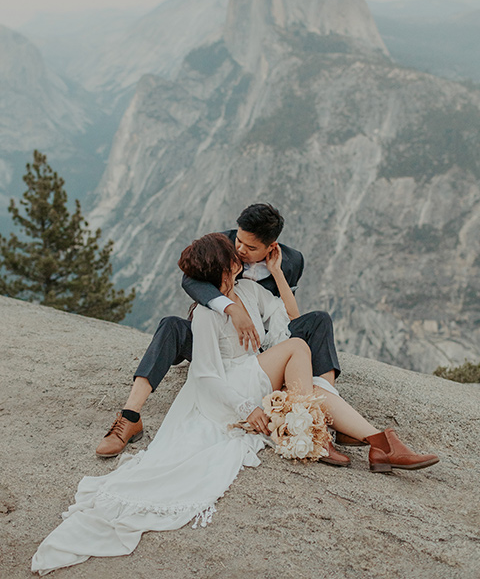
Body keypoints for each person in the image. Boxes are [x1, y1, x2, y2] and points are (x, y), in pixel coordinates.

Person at [32, 234, 439, 575]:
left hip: (255, 369)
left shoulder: (249, 288)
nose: (241, 262)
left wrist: (277, 281)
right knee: (299, 356)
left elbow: (285, 320)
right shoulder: (207, 314)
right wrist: (248, 407)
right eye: (234, 261)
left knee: (304, 364)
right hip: (231, 383)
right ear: (220, 271)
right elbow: (206, 376)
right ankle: (342, 435)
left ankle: (375, 442)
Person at [96, 203, 348, 463]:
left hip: (264, 344)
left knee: (320, 320)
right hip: (217, 338)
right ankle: (129, 417)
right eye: (239, 240)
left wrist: (277, 273)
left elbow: (284, 312)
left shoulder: (293, 260)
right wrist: (231, 309)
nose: (240, 250)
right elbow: (189, 280)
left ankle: (326, 414)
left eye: (251, 248)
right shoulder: (222, 244)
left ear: (271, 246)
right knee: (170, 325)